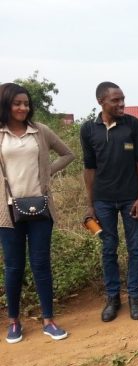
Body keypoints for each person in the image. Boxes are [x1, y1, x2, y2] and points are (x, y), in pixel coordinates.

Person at [0, 83, 74, 343]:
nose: (23, 108)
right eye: (17, 103)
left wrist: (46, 173)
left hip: (40, 207)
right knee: (13, 267)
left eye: (26, 103)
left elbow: (67, 154)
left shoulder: (40, 131)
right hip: (7, 211)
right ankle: (14, 322)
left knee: (41, 264)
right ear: (6, 105)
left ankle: (49, 320)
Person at [81, 82, 138, 322]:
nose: (121, 104)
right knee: (108, 249)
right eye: (115, 100)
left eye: (122, 99)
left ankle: (134, 297)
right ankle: (112, 298)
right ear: (101, 101)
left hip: (131, 198)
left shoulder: (133, 126)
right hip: (103, 201)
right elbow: (89, 169)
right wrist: (90, 205)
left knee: (134, 249)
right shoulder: (89, 130)